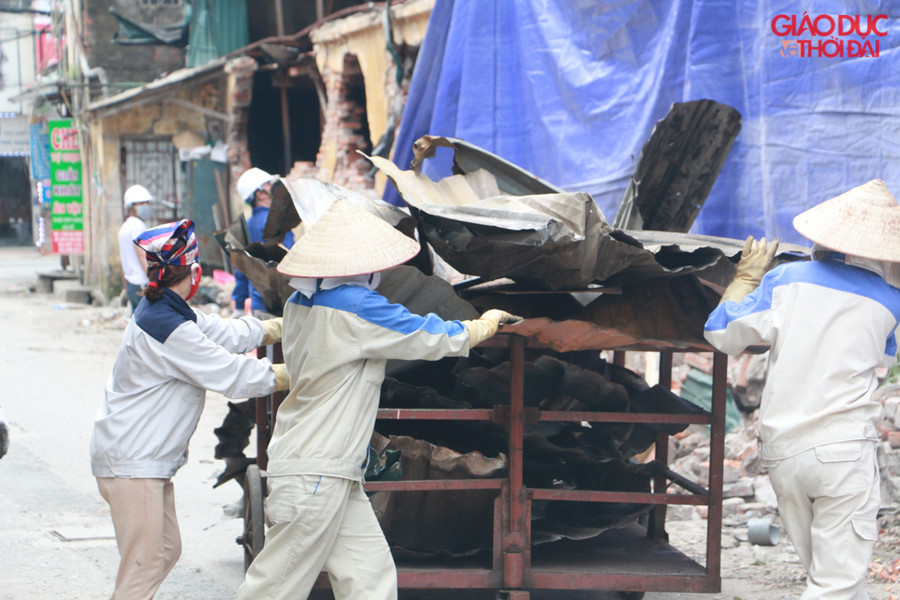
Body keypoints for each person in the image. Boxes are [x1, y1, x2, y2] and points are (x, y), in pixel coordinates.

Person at [235, 199, 521, 600]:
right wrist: (483, 325)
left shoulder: (300, 302)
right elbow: (430, 336)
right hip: (319, 471)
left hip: (327, 468)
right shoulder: (358, 307)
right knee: (274, 589)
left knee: (371, 581)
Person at [704, 179, 900, 600]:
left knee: (831, 582)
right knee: (836, 584)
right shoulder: (890, 303)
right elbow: (881, 367)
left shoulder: (785, 280)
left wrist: (746, 278)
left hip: (785, 453)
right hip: (844, 452)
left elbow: (722, 333)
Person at [90, 219, 290, 600]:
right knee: (146, 564)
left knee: (166, 550)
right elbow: (231, 375)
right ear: (193, 273)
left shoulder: (167, 310)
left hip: (140, 461)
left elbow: (222, 332)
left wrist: (275, 328)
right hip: (132, 463)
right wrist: (293, 373)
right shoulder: (167, 326)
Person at [231, 167, 295, 317]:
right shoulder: (277, 222)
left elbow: (241, 267)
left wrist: (239, 304)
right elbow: (292, 258)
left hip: (259, 305)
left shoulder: (247, 225)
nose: (274, 189)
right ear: (260, 194)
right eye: (268, 185)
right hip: (283, 306)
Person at [118, 184, 154, 314]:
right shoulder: (138, 226)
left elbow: (123, 261)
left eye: (148, 203)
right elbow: (142, 255)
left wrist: (125, 287)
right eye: (143, 203)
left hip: (131, 285)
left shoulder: (125, 227)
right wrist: (154, 281)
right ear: (132, 206)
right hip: (142, 284)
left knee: (137, 321)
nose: (147, 206)